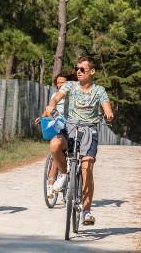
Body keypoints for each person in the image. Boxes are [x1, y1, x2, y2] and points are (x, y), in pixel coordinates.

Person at [43, 56, 113, 226]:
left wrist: (109, 114)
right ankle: (66, 174)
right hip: (71, 127)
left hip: (90, 130)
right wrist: (51, 104)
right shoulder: (70, 85)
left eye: (82, 69)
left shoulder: (99, 90)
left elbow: (106, 106)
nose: (78, 72)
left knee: (87, 168)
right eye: (77, 69)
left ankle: (87, 211)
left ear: (92, 71)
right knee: (55, 145)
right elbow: (57, 97)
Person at [43, 70, 76, 196]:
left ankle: (59, 182)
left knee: (60, 152)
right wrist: (42, 117)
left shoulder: (74, 94)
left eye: (62, 83)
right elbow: (48, 109)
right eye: (58, 83)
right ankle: (51, 184)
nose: (60, 85)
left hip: (71, 126)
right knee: (55, 151)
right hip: (58, 125)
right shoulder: (55, 96)